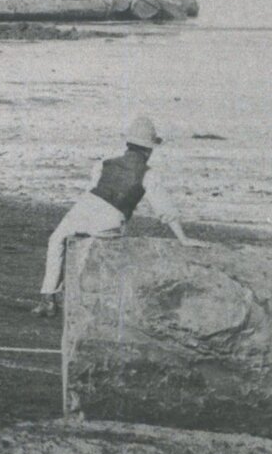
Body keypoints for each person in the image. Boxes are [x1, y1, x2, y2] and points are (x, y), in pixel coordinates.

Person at [36, 114, 200, 315]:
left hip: (86, 207)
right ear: (148, 151)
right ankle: (76, 300)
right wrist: (183, 239)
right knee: (97, 253)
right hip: (112, 216)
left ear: (128, 144)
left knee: (56, 241)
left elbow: (92, 188)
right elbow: (165, 210)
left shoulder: (106, 163)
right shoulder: (148, 174)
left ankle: (48, 297)